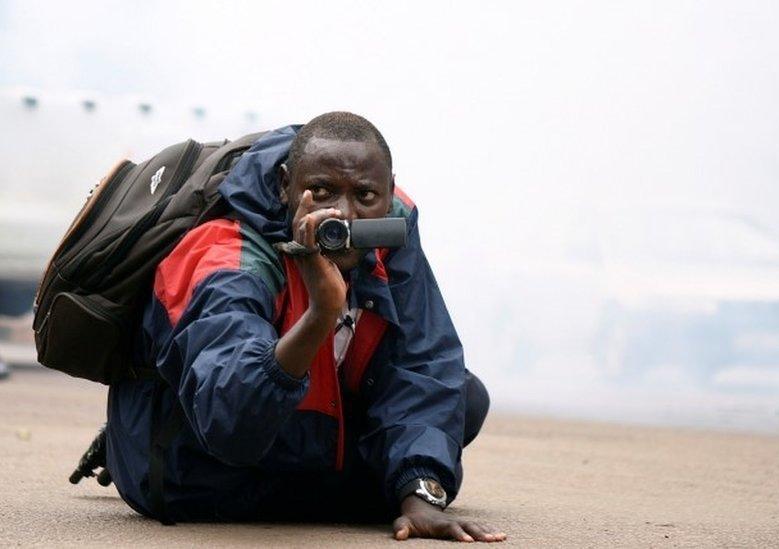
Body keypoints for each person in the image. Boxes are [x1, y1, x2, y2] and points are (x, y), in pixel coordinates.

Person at [104, 112, 505, 542]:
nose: (344, 215)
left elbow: (423, 362)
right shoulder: (224, 253)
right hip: (207, 474)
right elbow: (230, 424)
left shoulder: (391, 232)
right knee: (367, 475)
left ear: (389, 195)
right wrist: (320, 315)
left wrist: (422, 493)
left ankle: (373, 487)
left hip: (305, 447)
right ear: (284, 186)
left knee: (464, 395)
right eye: (322, 191)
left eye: (366, 195)